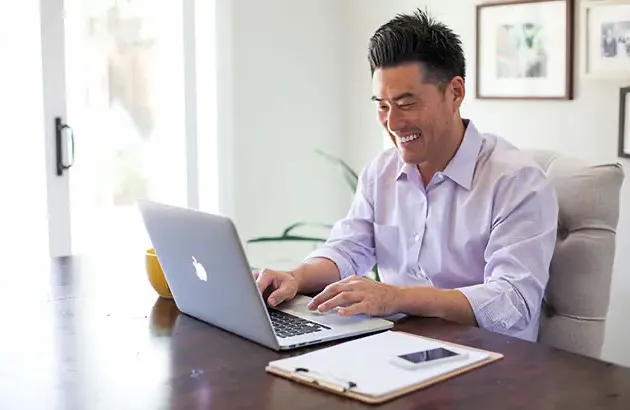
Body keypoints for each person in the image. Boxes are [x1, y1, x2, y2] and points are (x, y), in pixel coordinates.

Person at [255, 9, 558, 342]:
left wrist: (396, 298)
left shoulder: (517, 182)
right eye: (383, 105)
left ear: (455, 93)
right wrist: (295, 278)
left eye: (407, 103)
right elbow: (348, 249)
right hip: (398, 348)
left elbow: (513, 303)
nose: (393, 123)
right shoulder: (381, 172)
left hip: (490, 363)